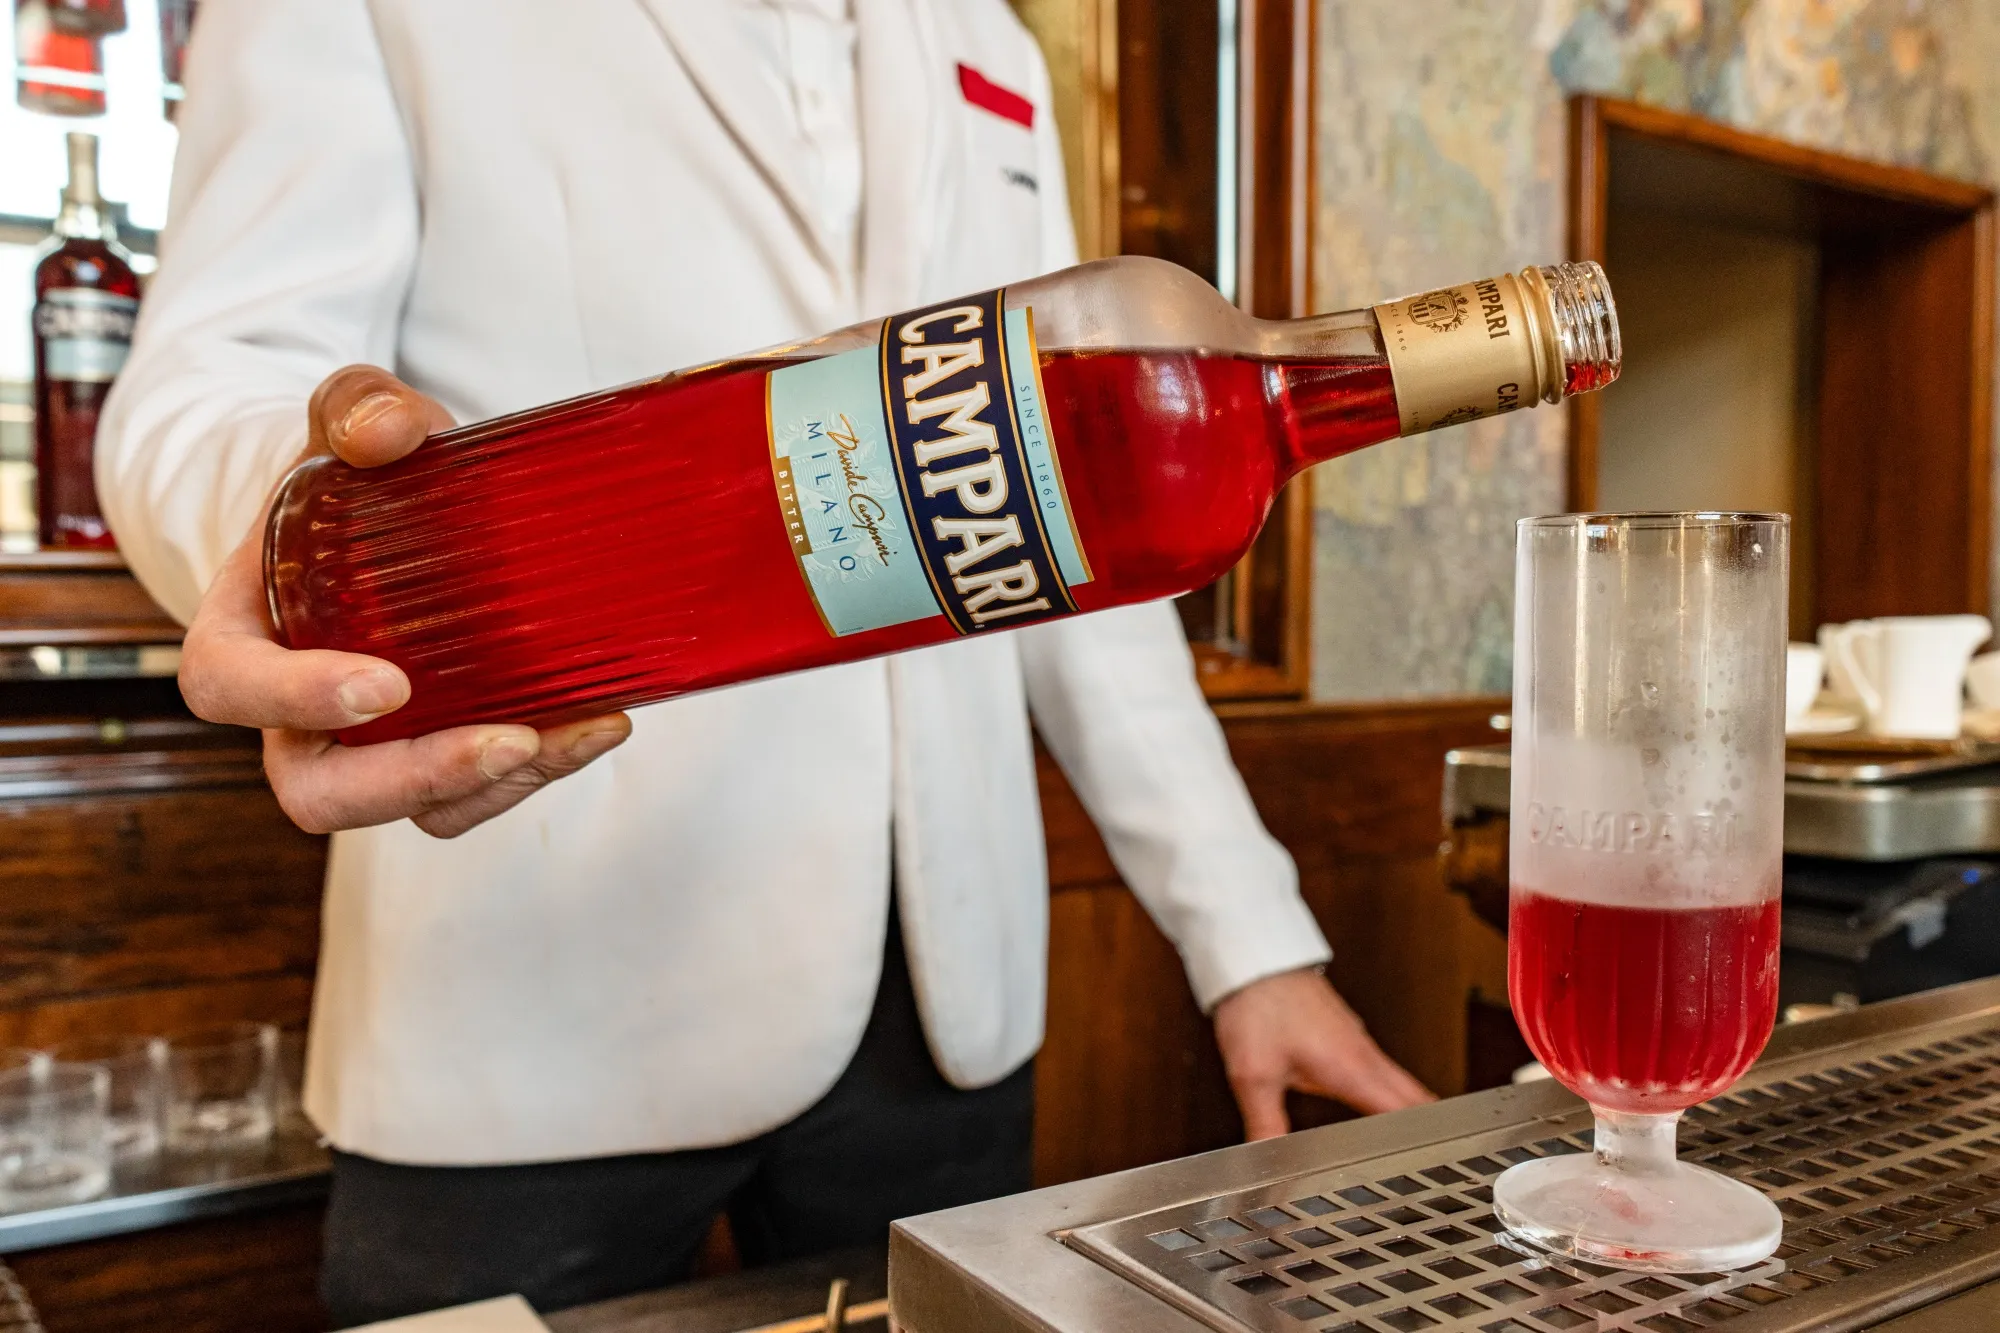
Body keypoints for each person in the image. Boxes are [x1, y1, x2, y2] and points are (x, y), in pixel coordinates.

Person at [99, 0, 1432, 1324]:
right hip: (535, 990)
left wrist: (1249, 944)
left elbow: (1080, 530)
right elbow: (216, 372)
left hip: (947, 1009)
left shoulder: (993, 47)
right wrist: (288, 552)